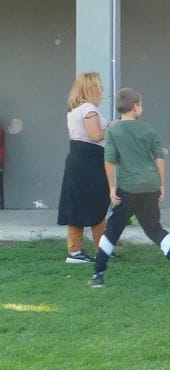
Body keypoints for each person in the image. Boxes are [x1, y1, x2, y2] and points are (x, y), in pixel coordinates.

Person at [89, 87, 170, 289]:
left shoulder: (113, 130)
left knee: (112, 229)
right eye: (141, 104)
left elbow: (109, 160)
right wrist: (161, 184)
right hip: (150, 185)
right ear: (135, 106)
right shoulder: (148, 129)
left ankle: (98, 275)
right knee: (153, 227)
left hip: (128, 187)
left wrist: (112, 188)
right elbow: (159, 157)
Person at [57, 72, 110, 263]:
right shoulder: (88, 108)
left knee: (76, 203)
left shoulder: (74, 109)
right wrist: (113, 126)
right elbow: (96, 135)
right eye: (99, 85)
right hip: (90, 160)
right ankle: (100, 249)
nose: (102, 89)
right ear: (90, 88)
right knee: (98, 200)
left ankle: (76, 250)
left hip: (77, 158)